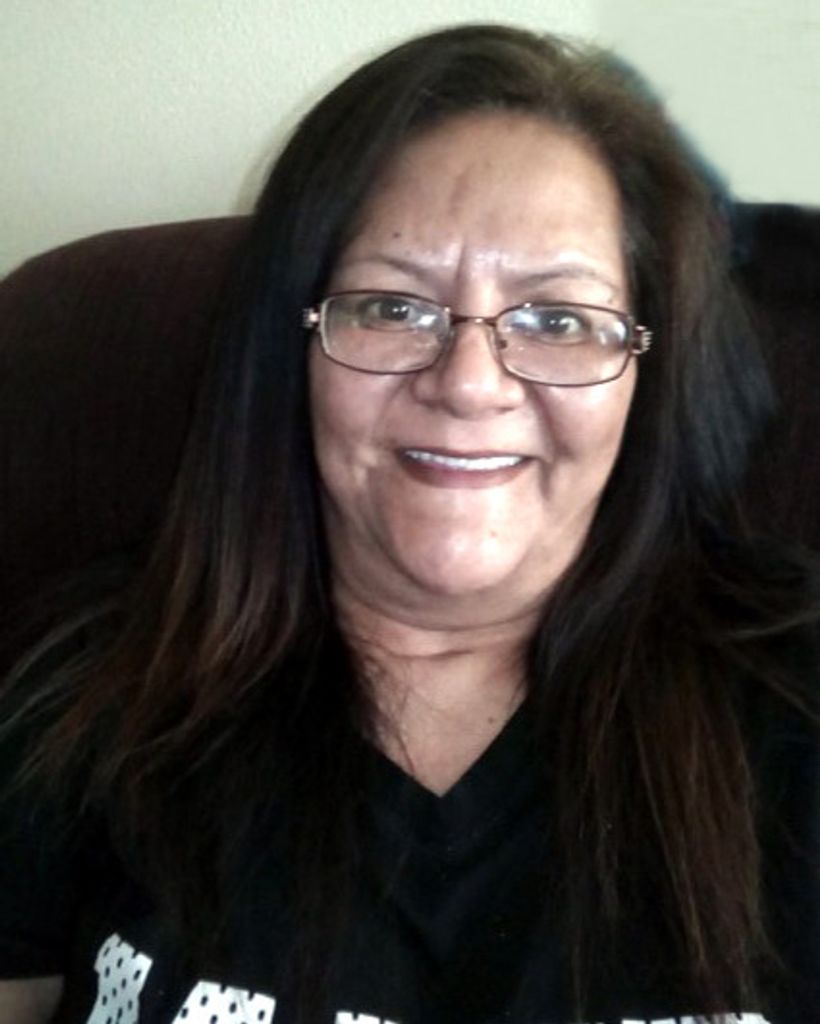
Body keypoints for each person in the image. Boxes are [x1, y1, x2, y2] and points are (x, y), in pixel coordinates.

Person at [0, 22, 818, 1024]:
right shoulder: (88, 693)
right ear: (292, 345)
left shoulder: (797, 698)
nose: (469, 384)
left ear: (647, 374)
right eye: (392, 308)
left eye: (558, 320)